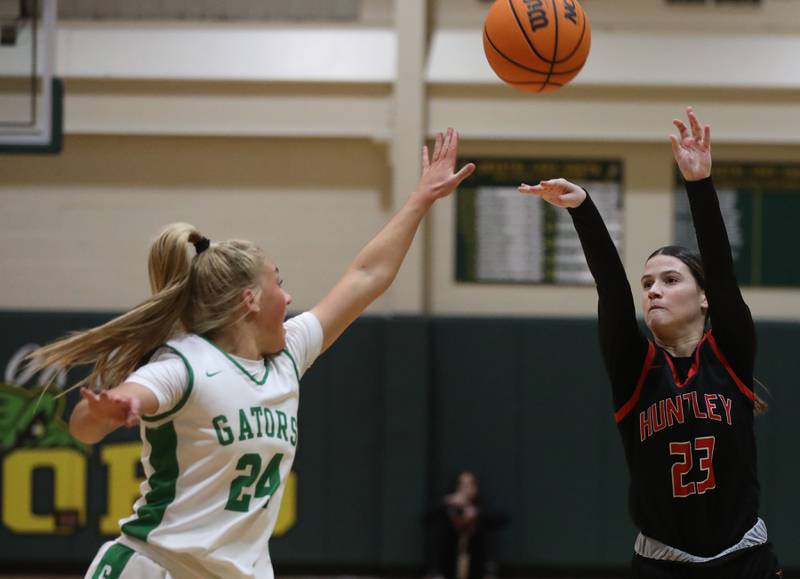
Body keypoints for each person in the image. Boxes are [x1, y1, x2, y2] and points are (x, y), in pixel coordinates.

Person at [28, 128, 475, 579]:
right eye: (278, 282)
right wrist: (109, 412)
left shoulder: (288, 355)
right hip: (155, 568)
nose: (289, 294)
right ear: (250, 300)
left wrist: (421, 199)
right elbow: (84, 428)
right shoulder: (182, 366)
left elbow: (366, 276)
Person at [518, 108, 782, 578]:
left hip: (745, 561)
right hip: (663, 564)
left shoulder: (730, 354)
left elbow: (721, 270)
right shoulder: (634, 368)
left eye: (670, 279)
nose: (653, 290)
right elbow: (613, 295)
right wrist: (583, 209)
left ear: (704, 299)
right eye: (648, 282)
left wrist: (699, 183)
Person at [424, 471, 505, 579]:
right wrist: (446, 502)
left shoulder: (481, 505)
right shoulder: (448, 505)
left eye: (470, 484)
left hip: (477, 564)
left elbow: (501, 519)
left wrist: (476, 513)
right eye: (462, 485)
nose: (466, 489)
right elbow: (427, 518)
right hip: (449, 563)